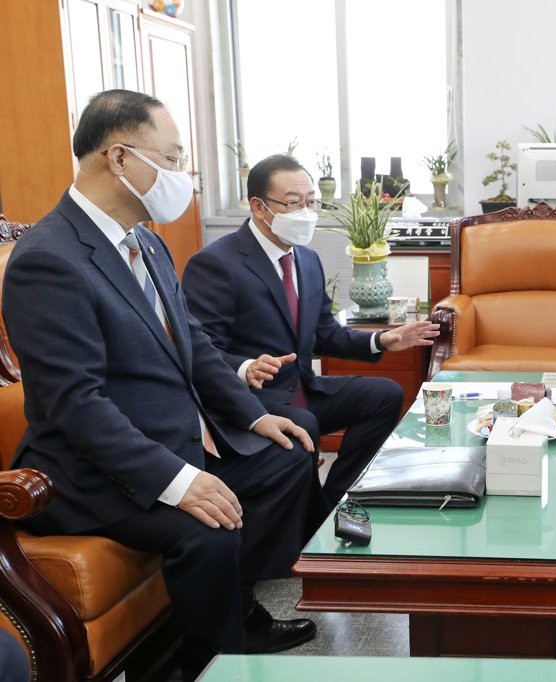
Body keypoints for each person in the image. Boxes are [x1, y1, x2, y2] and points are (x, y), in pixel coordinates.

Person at [2, 90, 319, 681]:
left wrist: (252, 416)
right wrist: (180, 482)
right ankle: (210, 664)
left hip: (167, 441)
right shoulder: (48, 260)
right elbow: (78, 404)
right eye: (171, 160)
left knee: (287, 454)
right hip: (87, 470)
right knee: (209, 529)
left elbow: (193, 343)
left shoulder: (143, 240)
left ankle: (234, 609)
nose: (181, 176)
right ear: (119, 158)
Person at [182, 154, 439, 508]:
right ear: (259, 206)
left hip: (303, 386)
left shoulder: (306, 259)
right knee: (303, 423)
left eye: (311, 202)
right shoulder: (216, 263)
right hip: (254, 399)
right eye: (292, 203)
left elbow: (324, 333)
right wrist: (245, 367)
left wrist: (382, 340)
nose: (305, 211)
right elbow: (200, 349)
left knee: (385, 394)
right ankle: (309, 515)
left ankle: (337, 497)